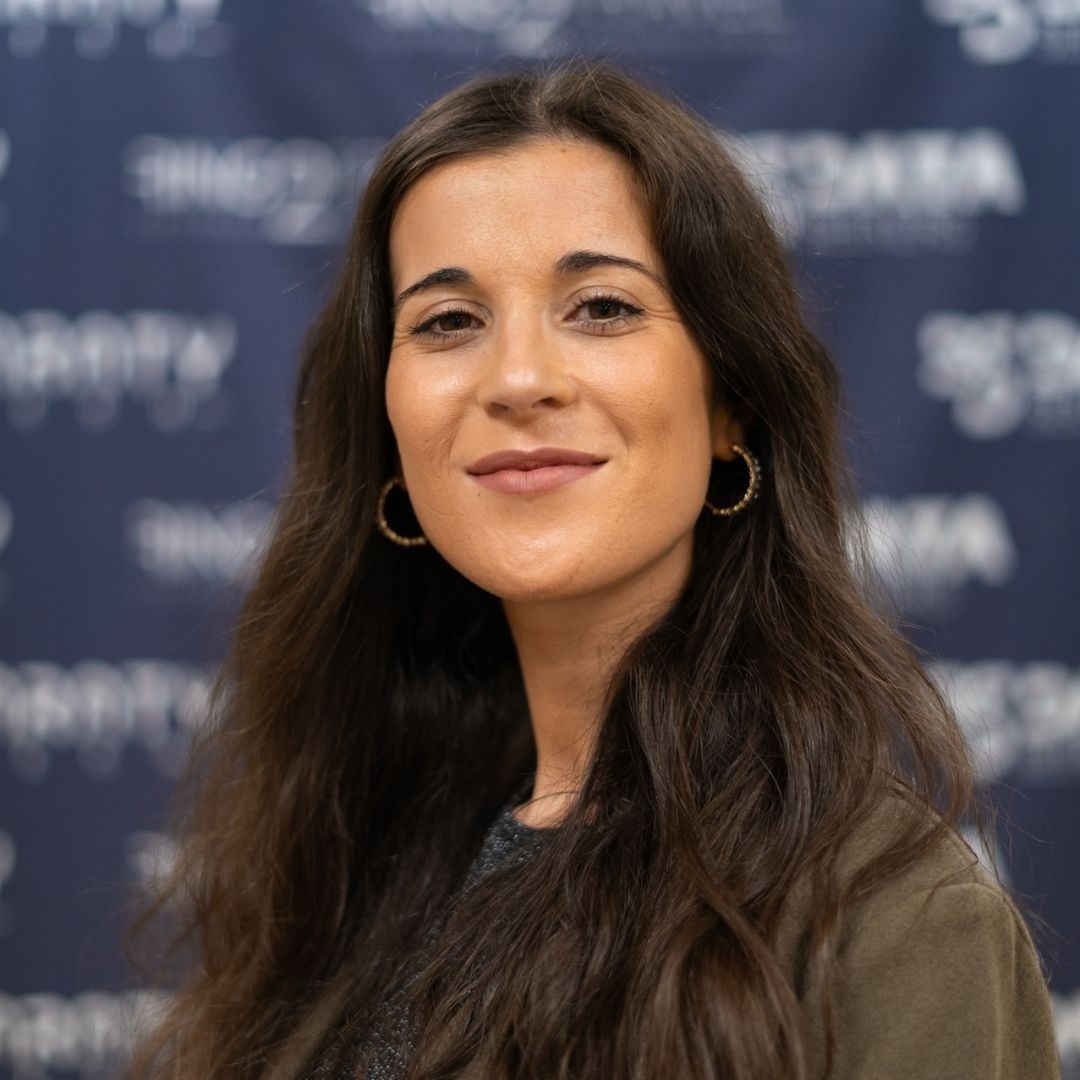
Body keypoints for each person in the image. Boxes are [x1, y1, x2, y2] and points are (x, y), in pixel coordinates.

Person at [126, 60, 1061, 1080]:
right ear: (388, 429)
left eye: (603, 308)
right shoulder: (347, 870)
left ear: (730, 405)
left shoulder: (886, 916)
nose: (519, 378)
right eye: (448, 322)